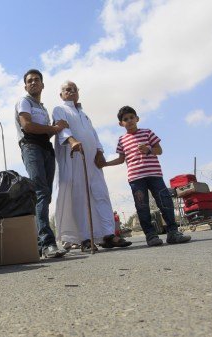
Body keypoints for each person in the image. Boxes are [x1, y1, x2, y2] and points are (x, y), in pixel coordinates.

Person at [52, 81, 131, 252]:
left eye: (74, 89)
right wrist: (72, 142)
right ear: (61, 95)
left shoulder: (84, 114)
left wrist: (100, 152)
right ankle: (85, 239)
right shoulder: (60, 109)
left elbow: (93, 135)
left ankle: (108, 235)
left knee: (100, 194)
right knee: (80, 197)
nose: (71, 92)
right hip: (75, 159)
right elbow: (62, 130)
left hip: (92, 161)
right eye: (67, 90)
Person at [99, 106, 191, 246]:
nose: (129, 121)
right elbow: (120, 159)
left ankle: (173, 232)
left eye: (131, 117)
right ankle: (151, 236)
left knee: (165, 203)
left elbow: (159, 151)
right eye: (125, 119)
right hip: (136, 178)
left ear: (137, 118)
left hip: (154, 175)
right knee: (142, 207)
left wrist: (148, 150)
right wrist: (105, 164)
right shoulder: (122, 140)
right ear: (121, 123)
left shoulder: (147, 132)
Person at [14, 69, 68, 258]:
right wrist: (53, 128)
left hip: (46, 148)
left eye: (37, 80)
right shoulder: (24, 102)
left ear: (43, 85)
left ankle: (38, 245)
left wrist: (57, 128)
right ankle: (47, 243)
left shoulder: (43, 108)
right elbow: (27, 125)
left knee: (46, 194)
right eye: (30, 81)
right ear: (26, 86)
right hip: (31, 147)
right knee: (40, 192)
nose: (34, 83)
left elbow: (49, 131)